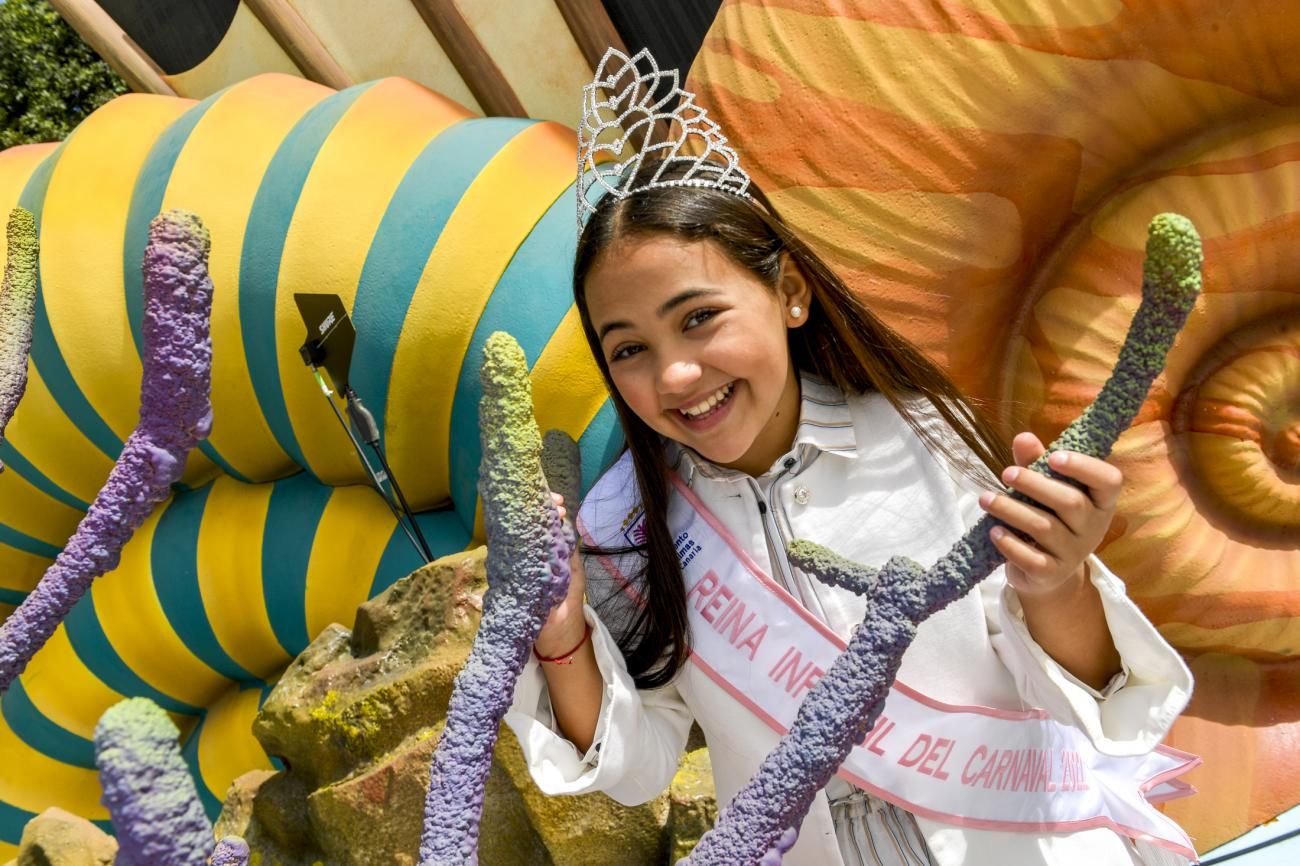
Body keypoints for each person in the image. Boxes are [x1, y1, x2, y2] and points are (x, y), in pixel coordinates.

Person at [505, 48, 1195, 866]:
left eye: (698, 319)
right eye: (629, 349)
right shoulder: (621, 527)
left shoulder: (923, 435)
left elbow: (1089, 695)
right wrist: (557, 632)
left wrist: (1060, 580)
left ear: (791, 291)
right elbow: (635, 766)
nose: (675, 375)